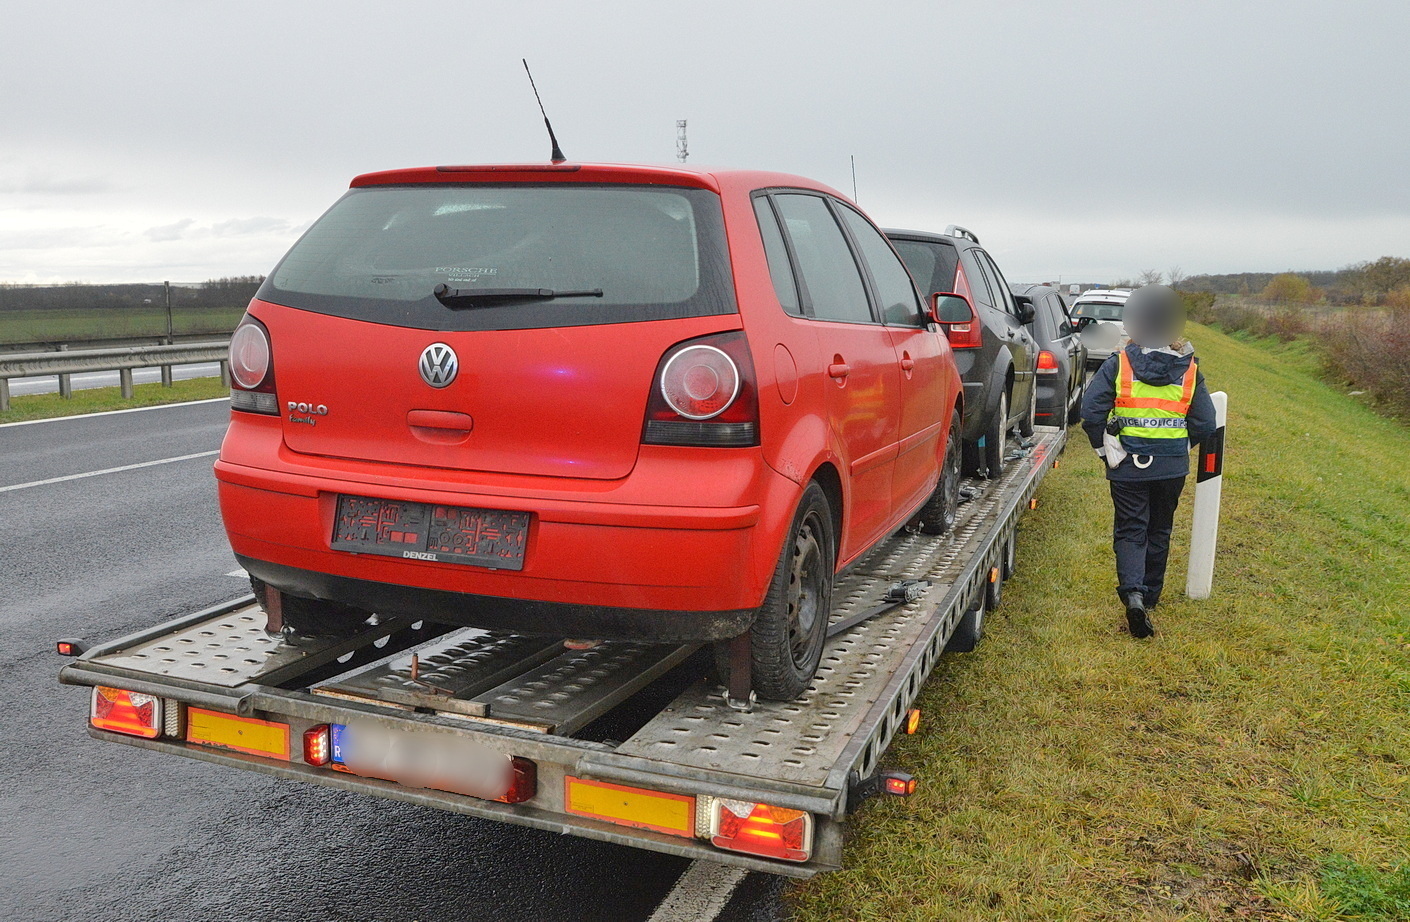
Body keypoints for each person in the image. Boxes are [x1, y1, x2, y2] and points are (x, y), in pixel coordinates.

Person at [1080, 285, 1215, 638]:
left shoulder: (1119, 363)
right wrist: (1180, 447)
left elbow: (1090, 412)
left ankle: (1133, 595)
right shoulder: (1189, 369)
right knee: (1159, 529)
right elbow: (1204, 422)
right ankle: (1150, 596)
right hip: (1171, 467)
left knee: (1130, 529)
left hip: (1127, 466)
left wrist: (1102, 448)